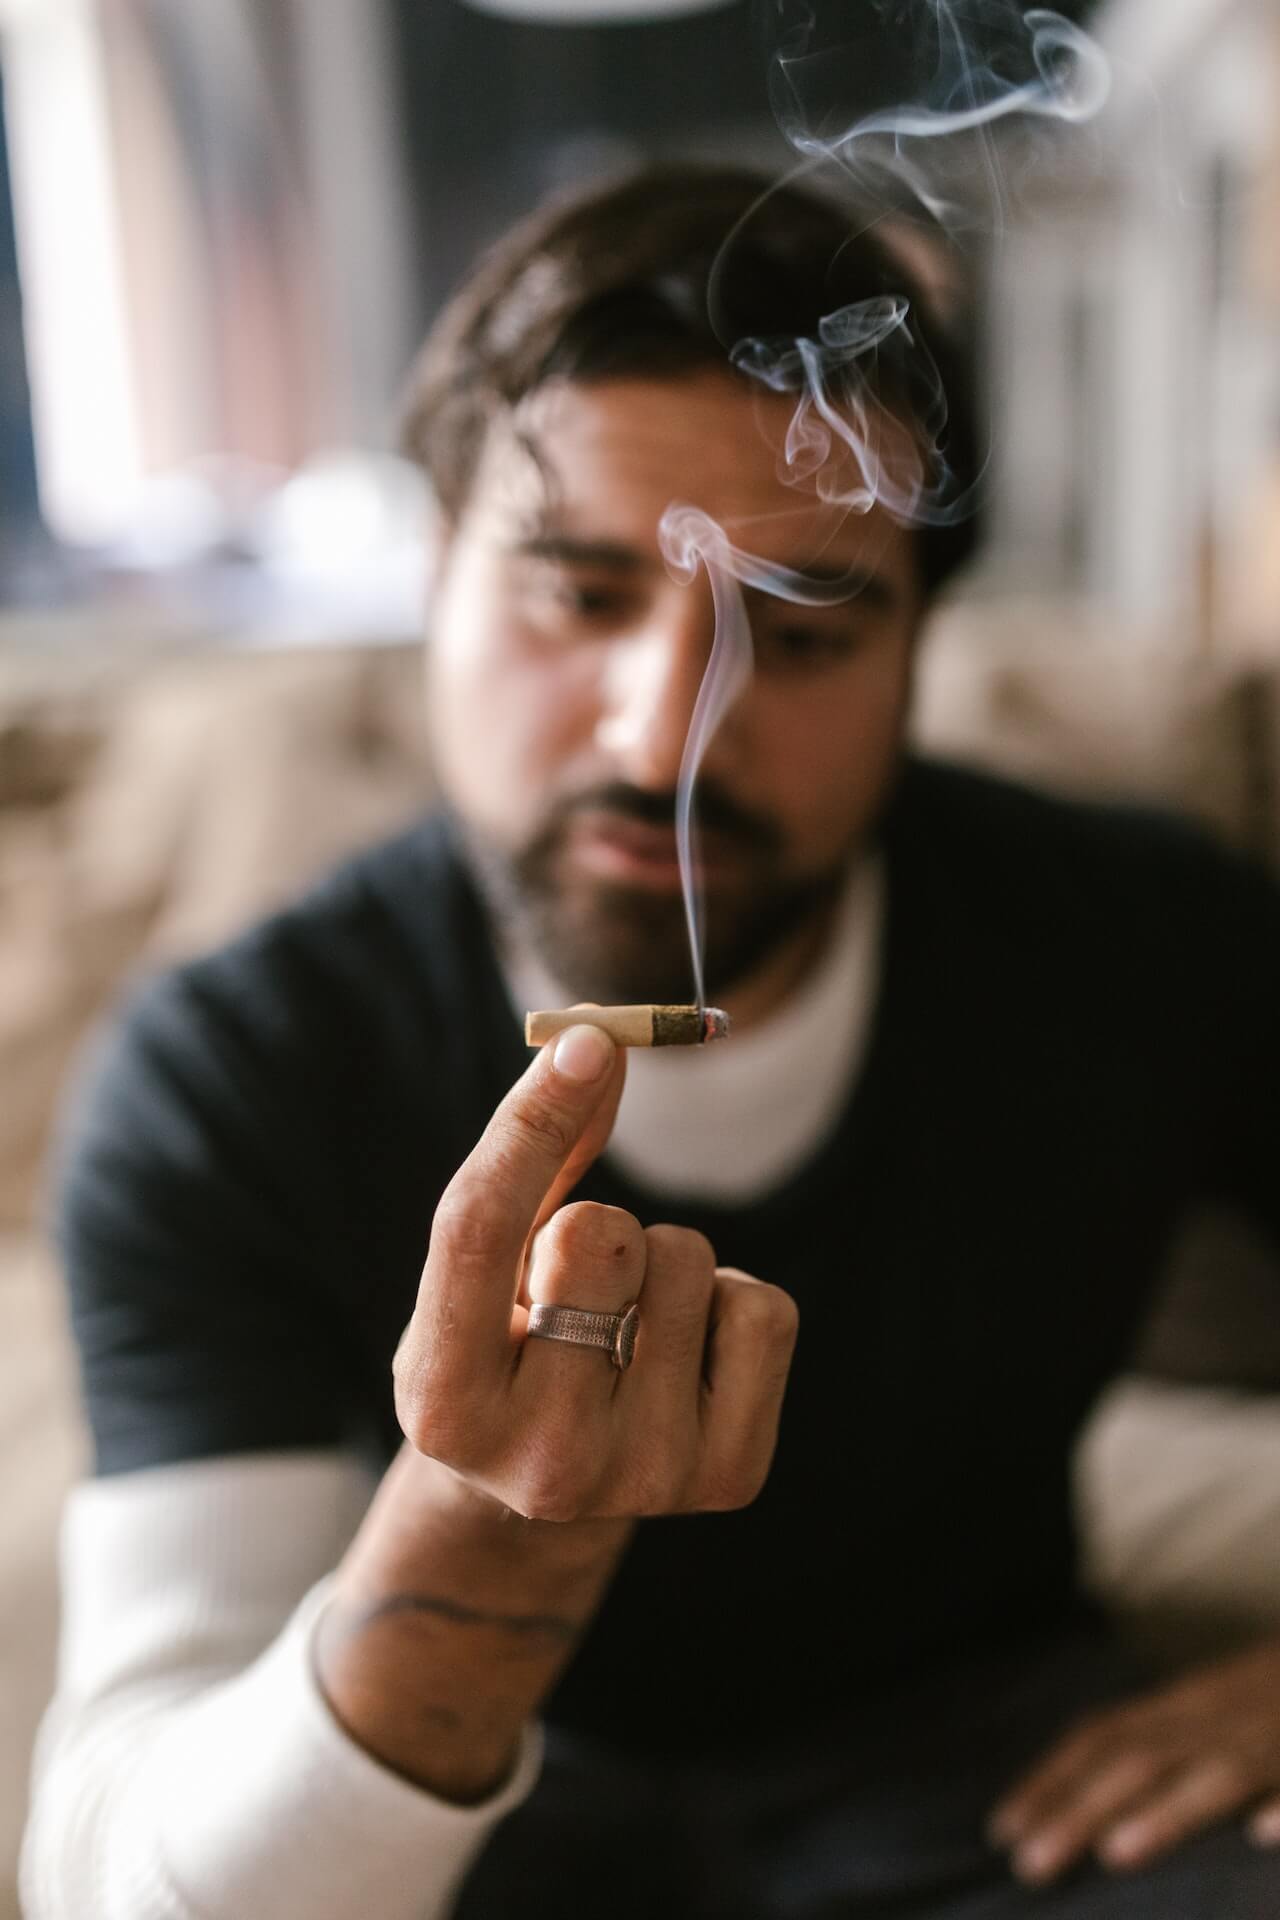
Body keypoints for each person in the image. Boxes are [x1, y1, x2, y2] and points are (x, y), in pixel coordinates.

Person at [21, 167, 1280, 1920]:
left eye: (808, 622)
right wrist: (480, 1565)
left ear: (924, 649)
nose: (659, 725)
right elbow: (121, 1878)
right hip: (459, 1836)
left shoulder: (1143, 944)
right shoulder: (232, 1081)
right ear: (433, 585)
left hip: (1011, 1795)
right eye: (575, 592)